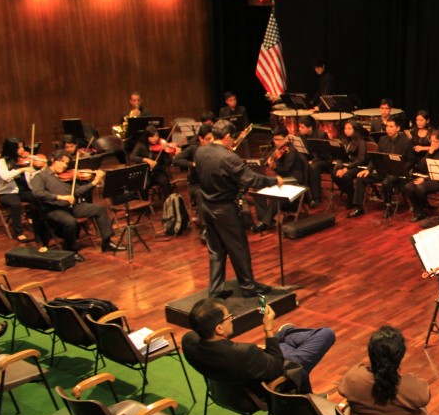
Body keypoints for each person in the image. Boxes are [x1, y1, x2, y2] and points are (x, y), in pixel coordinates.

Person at [195, 120, 283, 298]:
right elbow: (251, 180)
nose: (234, 141)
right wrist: (274, 180)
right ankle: (248, 286)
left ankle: (216, 289)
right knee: (238, 248)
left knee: (216, 250)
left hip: (206, 206)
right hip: (224, 209)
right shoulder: (228, 157)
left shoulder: (201, 151)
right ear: (227, 137)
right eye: (233, 138)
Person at [182, 299, 335, 395]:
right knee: (326, 334)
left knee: (286, 339)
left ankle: (283, 335)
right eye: (229, 317)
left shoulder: (188, 341)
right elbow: (277, 365)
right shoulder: (245, 352)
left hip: (230, 390)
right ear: (219, 329)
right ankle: (305, 398)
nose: (232, 319)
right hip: (275, 379)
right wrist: (268, 328)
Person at [338, 326, 431, 415]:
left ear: (370, 353)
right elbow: (425, 398)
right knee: (421, 410)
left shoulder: (353, 376)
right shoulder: (413, 387)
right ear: (401, 357)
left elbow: (342, 391)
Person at [30, 150, 117, 256]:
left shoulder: (64, 176)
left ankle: (107, 243)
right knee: (70, 222)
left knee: (100, 209)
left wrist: (94, 182)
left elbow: (77, 192)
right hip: (54, 209)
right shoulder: (40, 176)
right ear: (52, 160)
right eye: (61, 161)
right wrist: (60, 197)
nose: (64, 165)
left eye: (66, 163)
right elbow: (37, 193)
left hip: (71, 207)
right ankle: (72, 250)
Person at [348, 118, 414, 218]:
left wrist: (402, 168)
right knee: (361, 178)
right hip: (382, 171)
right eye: (387, 126)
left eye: (391, 126)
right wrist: (368, 169)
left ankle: (388, 206)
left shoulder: (406, 142)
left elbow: (411, 161)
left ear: (398, 128)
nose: (388, 129)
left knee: (386, 182)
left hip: (397, 173)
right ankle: (358, 207)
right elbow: (375, 158)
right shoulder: (383, 140)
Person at [253, 128, 308, 232]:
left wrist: (274, 167)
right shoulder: (279, 150)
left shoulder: (292, 152)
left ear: (286, 138)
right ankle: (264, 218)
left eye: (278, 139)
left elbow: (285, 170)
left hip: (294, 180)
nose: (276, 142)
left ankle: (265, 222)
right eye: (274, 139)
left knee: (275, 196)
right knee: (258, 189)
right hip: (282, 179)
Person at [0, 137, 47, 243]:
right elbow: (5, 176)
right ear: (11, 148)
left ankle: (39, 223)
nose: (22, 150)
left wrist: (39, 169)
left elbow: (33, 176)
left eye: (22, 147)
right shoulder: (2, 162)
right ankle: (19, 232)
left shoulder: (25, 159)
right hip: (8, 193)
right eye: (19, 148)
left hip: (24, 190)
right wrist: (22, 169)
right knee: (16, 204)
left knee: (38, 196)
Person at [403, 130, 439, 222]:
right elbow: (421, 167)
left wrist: (425, 179)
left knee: (420, 188)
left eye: (435, 142)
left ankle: (423, 208)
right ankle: (419, 211)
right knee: (408, 187)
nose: (433, 144)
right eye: (431, 141)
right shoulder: (431, 150)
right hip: (427, 177)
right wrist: (429, 154)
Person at [130, 126, 175, 197]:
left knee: (164, 182)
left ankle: (168, 203)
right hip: (146, 173)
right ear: (147, 137)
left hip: (158, 172)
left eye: (156, 136)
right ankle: (145, 205)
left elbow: (167, 162)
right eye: (152, 137)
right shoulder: (141, 145)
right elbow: (132, 157)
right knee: (144, 185)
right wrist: (145, 160)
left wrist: (166, 153)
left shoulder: (161, 145)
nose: (155, 138)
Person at [333, 120, 369, 207]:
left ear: (355, 130)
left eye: (349, 129)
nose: (346, 131)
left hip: (357, 166)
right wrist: (340, 167)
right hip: (345, 164)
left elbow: (361, 159)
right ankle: (350, 192)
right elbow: (340, 155)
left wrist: (347, 168)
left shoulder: (361, 142)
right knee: (334, 174)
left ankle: (351, 197)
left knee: (346, 176)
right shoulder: (343, 140)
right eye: (345, 128)